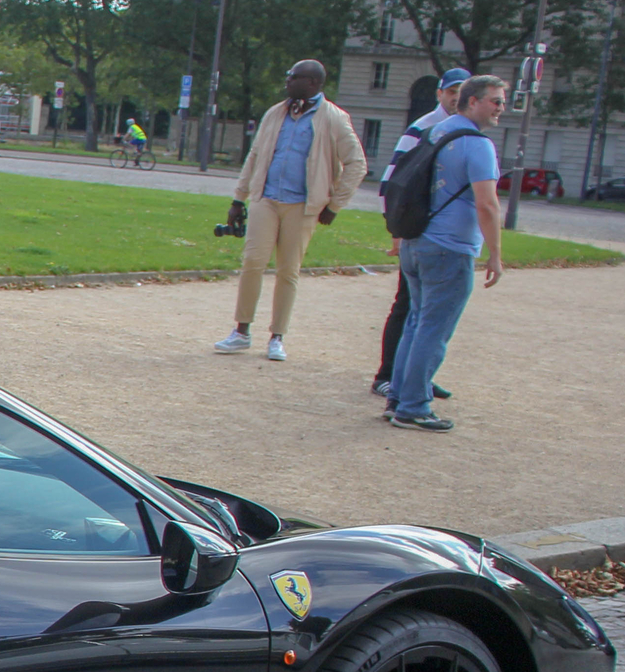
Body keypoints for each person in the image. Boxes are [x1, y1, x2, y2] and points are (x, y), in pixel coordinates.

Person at [211, 60, 368, 362]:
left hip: (302, 204)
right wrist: (238, 198)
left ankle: (277, 336)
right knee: (252, 261)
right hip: (266, 198)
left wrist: (335, 204)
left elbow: (356, 163)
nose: (287, 80)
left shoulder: (334, 118)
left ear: (311, 83)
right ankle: (241, 331)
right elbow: (255, 155)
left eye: (293, 76)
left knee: (288, 270)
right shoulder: (276, 112)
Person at [387, 75, 507, 431]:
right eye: (495, 101)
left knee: (416, 322)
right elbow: (487, 205)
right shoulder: (477, 145)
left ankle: (398, 396)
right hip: (448, 247)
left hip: (417, 239)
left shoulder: (436, 132)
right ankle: (413, 406)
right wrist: (495, 255)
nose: (501, 108)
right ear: (473, 102)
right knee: (433, 329)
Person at [370, 68, 469, 399]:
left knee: (426, 309)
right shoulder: (422, 128)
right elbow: (391, 182)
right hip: (418, 228)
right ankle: (387, 375)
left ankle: (417, 376)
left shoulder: (463, 129)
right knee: (408, 304)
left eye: (462, 90)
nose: (456, 96)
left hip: (438, 229)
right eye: (451, 90)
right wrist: (395, 229)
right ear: (440, 94)